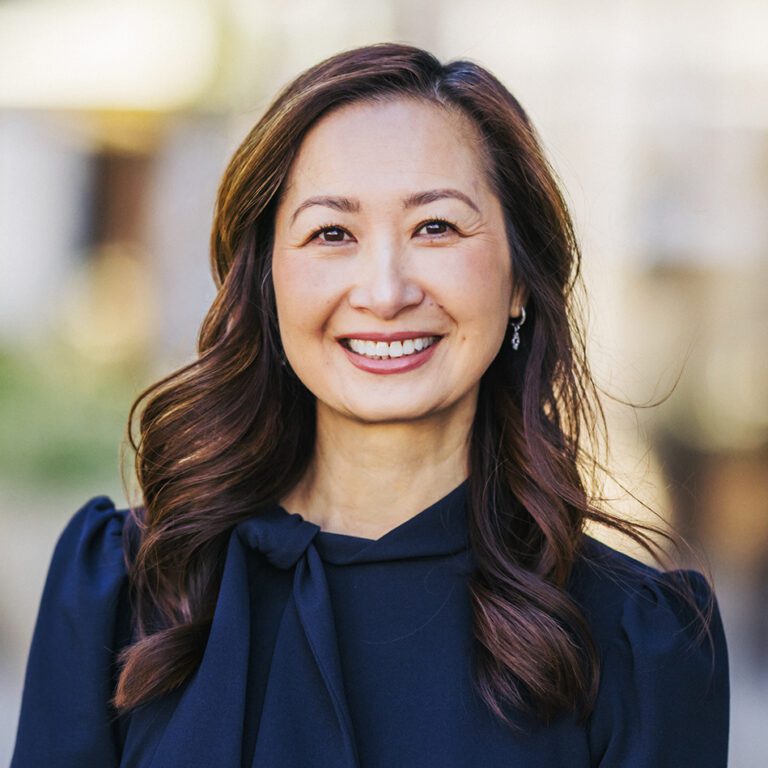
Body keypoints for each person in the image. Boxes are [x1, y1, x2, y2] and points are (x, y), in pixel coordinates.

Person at [11, 43, 729, 767]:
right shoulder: (126, 588)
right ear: (267, 283)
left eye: (436, 227)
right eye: (332, 234)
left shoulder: (642, 641)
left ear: (519, 278)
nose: (385, 293)